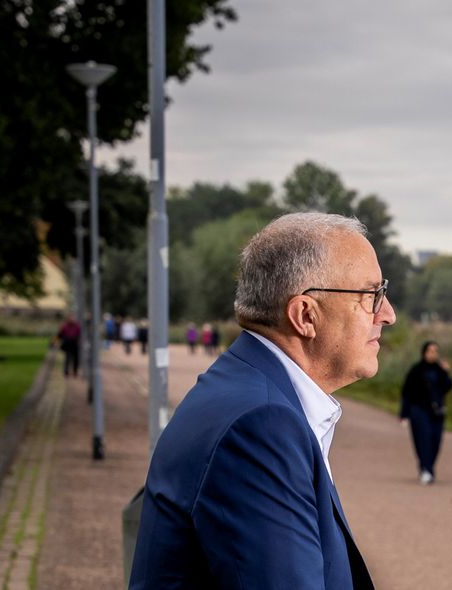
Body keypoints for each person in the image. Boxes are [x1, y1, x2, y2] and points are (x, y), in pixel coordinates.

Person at [130, 213, 395, 589]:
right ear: (306, 315)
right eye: (372, 295)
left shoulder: (244, 391)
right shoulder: (260, 424)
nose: (388, 314)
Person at [399, 341, 452, 484]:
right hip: (418, 411)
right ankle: (425, 470)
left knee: (435, 442)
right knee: (423, 440)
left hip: (437, 412)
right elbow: (407, 393)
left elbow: (447, 387)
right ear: (424, 352)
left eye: (436, 351)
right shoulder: (416, 370)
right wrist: (404, 414)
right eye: (430, 351)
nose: (433, 354)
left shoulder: (440, 370)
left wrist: (446, 372)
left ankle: (429, 468)